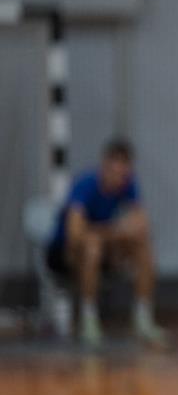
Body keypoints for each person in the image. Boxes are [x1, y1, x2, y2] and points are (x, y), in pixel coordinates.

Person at [46, 137, 168, 348]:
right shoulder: (85, 185)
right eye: (114, 168)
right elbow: (75, 234)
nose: (119, 176)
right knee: (92, 246)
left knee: (143, 246)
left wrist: (119, 235)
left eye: (124, 171)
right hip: (65, 254)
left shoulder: (128, 185)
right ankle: (89, 319)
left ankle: (143, 317)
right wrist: (116, 231)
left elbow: (141, 226)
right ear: (105, 165)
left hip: (103, 250)